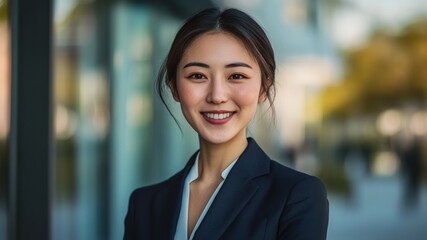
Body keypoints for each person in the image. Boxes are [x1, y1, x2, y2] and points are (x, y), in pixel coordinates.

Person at [124, 8, 328, 240]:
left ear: (263, 87)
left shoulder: (297, 195)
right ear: (174, 87)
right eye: (197, 76)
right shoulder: (145, 204)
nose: (217, 95)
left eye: (236, 76)